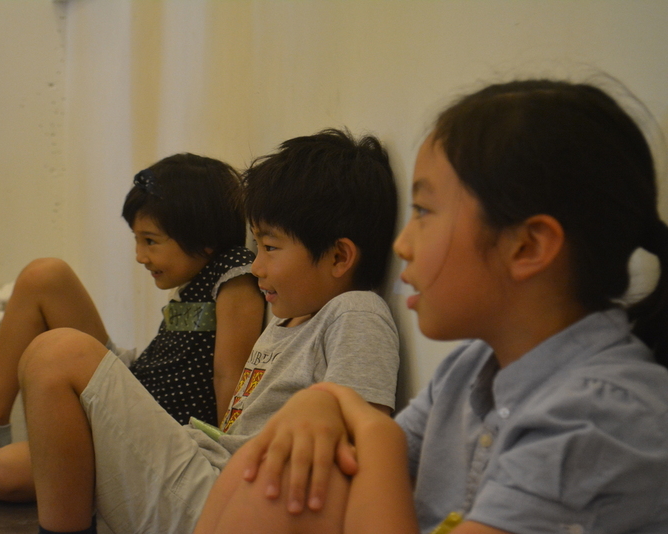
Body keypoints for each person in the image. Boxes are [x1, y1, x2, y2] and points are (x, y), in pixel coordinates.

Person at [196, 79, 668, 534]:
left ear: (527, 247)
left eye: (423, 212)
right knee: (266, 472)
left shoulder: (599, 416)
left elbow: (372, 455)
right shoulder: (469, 370)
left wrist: (365, 427)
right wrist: (320, 404)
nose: (402, 244)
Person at [17, 128, 401, 534]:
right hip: (212, 473)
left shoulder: (356, 312)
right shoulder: (288, 319)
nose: (257, 266)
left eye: (270, 248)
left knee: (59, 354)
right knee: (11, 461)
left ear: (339, 257)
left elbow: (364, 445)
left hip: (227, 498)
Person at [0, 153, 266, 503]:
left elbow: (230, 375)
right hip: (133, 385)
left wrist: (224, 461)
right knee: (44, 275)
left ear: (204, 239)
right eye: (137, 240)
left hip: (145, 434)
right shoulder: (201, 273)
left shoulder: (233, 275)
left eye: (150, 241)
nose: (140, 256)